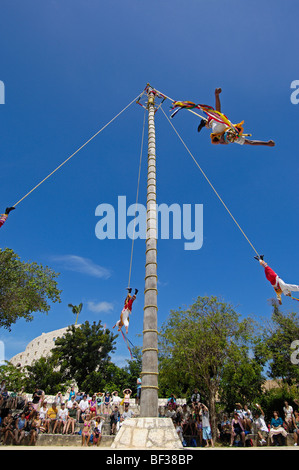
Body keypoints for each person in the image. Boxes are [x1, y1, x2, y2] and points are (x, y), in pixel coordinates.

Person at [197, 88, 275, 147]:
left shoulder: (226, 133)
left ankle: (205, 123)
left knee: (210, 125)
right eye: (224, 141)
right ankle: (204, 123)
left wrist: (267, 143)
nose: (222, 143)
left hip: (215, 123)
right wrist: (216, 96)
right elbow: (218, 110)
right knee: (209, 122)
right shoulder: (223, 129)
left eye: (223, 141)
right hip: (214, 120)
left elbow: (251, 142)